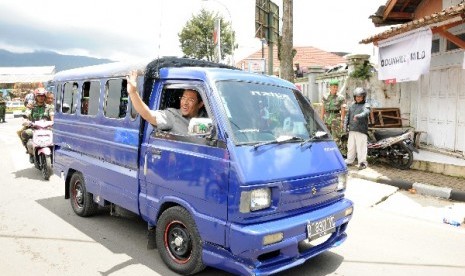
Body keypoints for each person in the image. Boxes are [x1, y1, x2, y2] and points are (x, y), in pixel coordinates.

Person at [126, 70, 205, 134]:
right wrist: (133, 92)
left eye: (191, 100)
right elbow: (148, 114)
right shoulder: (172, 116)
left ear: (200, 104)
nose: (185, 103)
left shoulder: (207, 117)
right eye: (183, 98)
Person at [20, 89, 54, 156]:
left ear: (45, 97)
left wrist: (53, 121)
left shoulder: (49, 107)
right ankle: (29, 152)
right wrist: (25, 121)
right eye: (39, 96)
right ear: (36, 97)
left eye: (43, 96)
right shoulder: (31, 106)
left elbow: (52, 115)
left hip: (47, 128)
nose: (41, 97)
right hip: (34, 128)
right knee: (24, 134)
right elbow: (26, 115)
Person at [344, 87, 370, 170]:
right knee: (351, 147)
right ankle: (349, 160)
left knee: (361, 147)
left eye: (360, 97)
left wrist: (358, 116)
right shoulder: (352, 105)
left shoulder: (366, 105)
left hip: (361, 130)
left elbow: (366, 113)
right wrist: (345, 125)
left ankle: (362, 162)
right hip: (352, 129)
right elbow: (347, 116)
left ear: (363, 97)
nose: (358, 98)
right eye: (356, 96)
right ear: (354, 97)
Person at [321, 79, 346, 153]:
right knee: (326, 136)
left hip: (336, 118)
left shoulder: (341, 97)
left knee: (336, 137)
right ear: (330, 87)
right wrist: (321, 119)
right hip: (327, 118)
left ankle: (336, 153)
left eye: (336, 87)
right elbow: (323, 108)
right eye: (334, 87)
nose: (335, 88)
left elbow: (343, 110)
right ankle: (326, 152)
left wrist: (342, 121)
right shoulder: (325, 97)